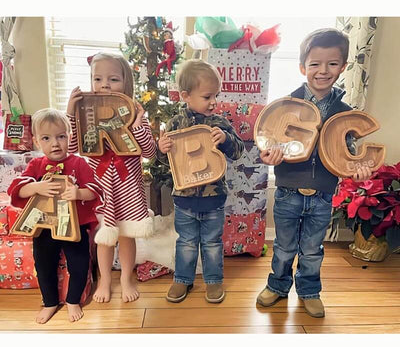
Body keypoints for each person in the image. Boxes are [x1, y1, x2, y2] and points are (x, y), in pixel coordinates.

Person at [256, 28, 372, 318]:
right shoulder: (286, 106)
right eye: (315, 64)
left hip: (322, 195)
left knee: (312, 249)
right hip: (287, 192)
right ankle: (278, 285)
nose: (323, 71)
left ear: (343, 67)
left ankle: (309, 291)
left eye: (332, 64)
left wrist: (357, 169)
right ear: (302, 67)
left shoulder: (344, 113)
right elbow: (269, 141)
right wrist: (268, 154)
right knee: (283, 246)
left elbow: (349, 151)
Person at [66, 53, 157, 303]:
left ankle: (127, 277)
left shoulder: (135, 112)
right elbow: (74, 146)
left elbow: (150, 152)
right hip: (100, 184)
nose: (104, 84)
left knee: (127, 235)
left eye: (113, 79)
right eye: (97, 78)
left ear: (126, 83)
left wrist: (138, 125)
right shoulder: (87, 112)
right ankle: (105, 280)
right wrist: (71, 113)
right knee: (104, 237)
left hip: (128, 185)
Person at [158, 59, 244, 303]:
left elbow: (237, 152)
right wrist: (160, 149)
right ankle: (183, 280)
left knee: (212, 244)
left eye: (216, 95)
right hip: (184, 199)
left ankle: (214, 281)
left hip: (213, 198)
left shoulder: (220, 123)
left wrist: (226, 139)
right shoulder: (174, 125)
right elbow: (168, 165)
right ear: (186, 96)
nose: (214, 102)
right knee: (185, 242)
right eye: (207, 96)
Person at [8, 108, 104, 324]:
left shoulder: (79, 163)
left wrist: (79, 193)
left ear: (69, 137)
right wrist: (36, 187)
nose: (55, 143)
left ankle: (73, 300)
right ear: (36, 141)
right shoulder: (36, 165)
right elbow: (17, 190)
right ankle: (50, 301)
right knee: (43, 264)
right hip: (45, 227)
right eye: (47, 138)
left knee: (79, 263)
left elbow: (96, 190)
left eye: (61, 136)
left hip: (74, 225)